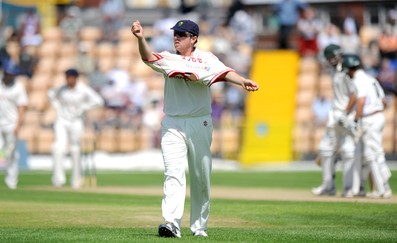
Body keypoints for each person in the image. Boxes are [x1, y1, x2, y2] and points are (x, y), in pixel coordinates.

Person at [131, 19, 259, 238]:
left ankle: (199, 227)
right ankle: (171, 223)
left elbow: (224, 72)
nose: (177, 38)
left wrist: (242, 81)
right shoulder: (168, 58)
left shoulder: (207, 59)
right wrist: (141, 38)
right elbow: (147, 57)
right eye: (175, 34)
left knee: (201, 176)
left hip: (200, 121)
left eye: (182, 34)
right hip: (173, 123)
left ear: (194, 38)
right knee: (173, 173)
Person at [341, 54, 392, 199]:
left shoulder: (358, 79)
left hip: (370, 118)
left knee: (375, 154)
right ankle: (380, 188)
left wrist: (356, 119)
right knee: (371, 154)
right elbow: (384, 101)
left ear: (350, 70)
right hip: (378, 116)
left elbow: (361, 99)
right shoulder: (371, 78)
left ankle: (385, 189)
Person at [311, 44, 355, 197]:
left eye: (334, 56)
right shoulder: (333, 70)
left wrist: (347, 113)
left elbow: (355, 95)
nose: (333, 60)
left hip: (346, 115)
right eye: (331, 57)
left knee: (348, 151)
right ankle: (328, 186)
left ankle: (349, 188)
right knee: (325, 149)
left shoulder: (347, 70)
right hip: (334, 115)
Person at [48, 68, 104, 189]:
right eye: (67, 77)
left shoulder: (83, 89)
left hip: (76, 121)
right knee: (58, 148)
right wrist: (57, 107)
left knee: (75, 150)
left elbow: (98, 101)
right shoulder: (61, 89)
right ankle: (58, 180)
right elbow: (50, 94)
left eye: (71, 77)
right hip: (61, 121)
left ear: (76, 78)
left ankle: (76, 180)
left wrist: (84, 107)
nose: (69, 80)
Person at [0, 60, 28, 189]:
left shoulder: (18, 87)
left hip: (11, 124)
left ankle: (11, 181)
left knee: (11, 153)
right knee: (2, 151)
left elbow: (22, 107)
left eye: (12, 74)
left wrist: (18, 125)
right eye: (8, 74)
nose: (10, 76)